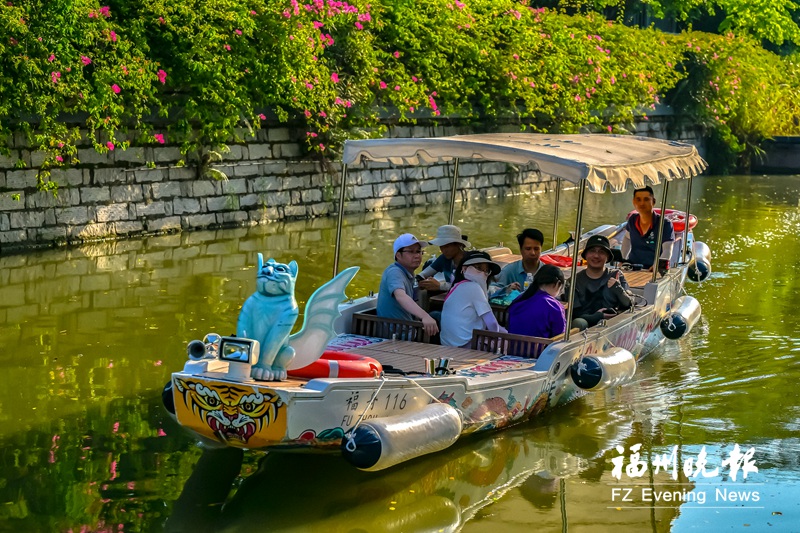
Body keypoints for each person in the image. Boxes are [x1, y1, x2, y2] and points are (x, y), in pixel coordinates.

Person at [376, 233, 439, 337]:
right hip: (395, 336)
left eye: (418, 251)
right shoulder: (395, 272)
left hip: (406, 330)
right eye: (411, 251)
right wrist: (424, 316)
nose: (417, 255)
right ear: (398, 255)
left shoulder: (408, 274)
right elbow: (400, 296)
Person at [565, 235, 632, 329]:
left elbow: (629, 304)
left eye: (601, 252)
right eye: (592, 251)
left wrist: (618, 289)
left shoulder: (616, 275)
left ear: (608, 257)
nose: (596, 256)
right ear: (585, 255)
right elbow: (574, 314)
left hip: (613, 326)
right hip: (585, 327)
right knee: (579, 323)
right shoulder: (574, 281)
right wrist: (598, 316)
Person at [440, 251, 506, 347]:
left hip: (447, 345)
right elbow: (491, 323)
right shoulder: (473, 287)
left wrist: (507, 332)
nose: (483, 273)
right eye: (478, 268)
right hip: (464, 346)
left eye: (486, 270)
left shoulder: (456, 286)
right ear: (464, 269)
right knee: (506, 343)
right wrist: (504, 336)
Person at [622, 185, 675, 271]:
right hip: (632, 267)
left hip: (653, 270)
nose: (642, 203)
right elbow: (627, 238)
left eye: (646, 199)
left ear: (653, 202)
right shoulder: (632, 219)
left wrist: (658, 265)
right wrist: (623, 259)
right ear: (633, 202)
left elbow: (667, 249)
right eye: (638, 200)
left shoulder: (665, 224)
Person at [507, 265, 566, 339]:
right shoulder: (554, 305)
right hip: (541, 350)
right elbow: (559, 336)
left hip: (513, 348)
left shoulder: (519, 299)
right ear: (557, 284)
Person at [489, 228, 546, 297]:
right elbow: (490, 291)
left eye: (536, 249)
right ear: (521, 249)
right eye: (528, 249)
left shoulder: (548, 273)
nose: (533, 253)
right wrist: (507, 289)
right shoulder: (509, 271)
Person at [417, 225, 470, 292]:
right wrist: (422, 282)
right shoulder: (443, 258)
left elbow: (467, 287)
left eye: (447, 246)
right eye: (441, 246)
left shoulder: (470, 262)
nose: (443, 250)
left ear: (459, 245)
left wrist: (440, 286)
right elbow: (423, 274)